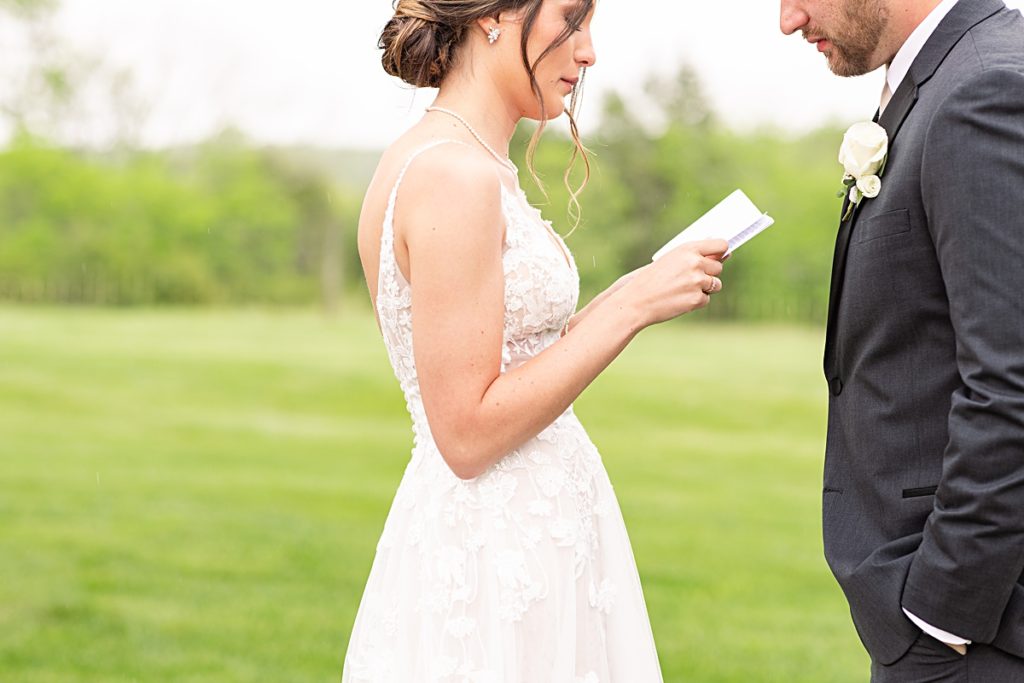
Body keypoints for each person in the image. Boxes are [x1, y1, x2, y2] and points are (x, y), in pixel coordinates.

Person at [343, 1, 727, 680]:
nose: (589, 52)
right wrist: (632, 307)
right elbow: (465, 431)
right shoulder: (453, 176)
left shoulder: (457, 160)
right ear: (495, 16)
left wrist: (636, 290)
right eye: (571, 21)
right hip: (495, 549)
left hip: (527, 530)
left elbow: (509, 357)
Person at [781, 0, 1024, 679]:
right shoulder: (946, 77)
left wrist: (941, 612)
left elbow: (1012, 381)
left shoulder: (984, 89)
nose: (788, 19)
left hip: (979, 637)